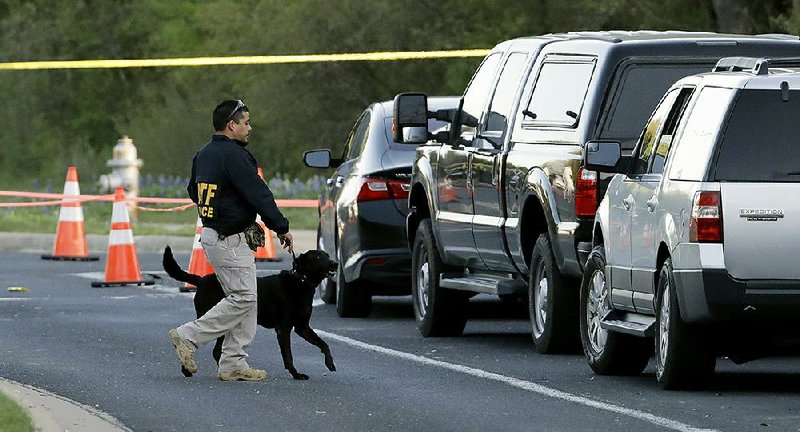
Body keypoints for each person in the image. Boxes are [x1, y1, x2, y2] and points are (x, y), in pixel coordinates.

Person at [169, 99, 293, 381]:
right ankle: (188, 336)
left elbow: (193, 191)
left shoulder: (204, 154)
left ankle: (233, 363)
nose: (250, 127)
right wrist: (280, 226)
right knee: (244, 297)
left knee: (248, 299)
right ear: (231, 125)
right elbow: (258, 193)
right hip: (229, 239)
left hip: (213, 234)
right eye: (246, 122)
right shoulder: (235, 155)